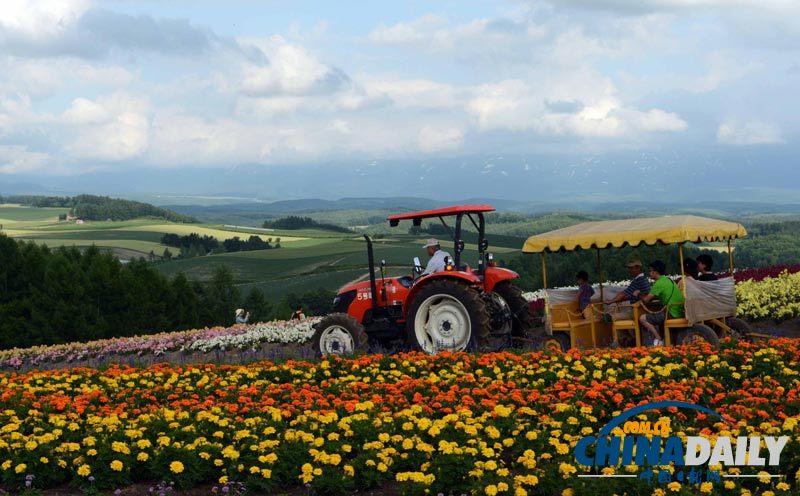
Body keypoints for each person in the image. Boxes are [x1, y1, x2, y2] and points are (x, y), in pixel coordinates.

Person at [635, 260, 684, 346]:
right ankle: (664, 339)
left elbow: (646, 300)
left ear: (656, 272)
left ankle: (659, 339)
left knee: (642, 318)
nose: (649, 273)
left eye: (650, 270)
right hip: (678, 310)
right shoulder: (668, 280)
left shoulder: (658, 283)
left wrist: (638, 294)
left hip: (671, 313)